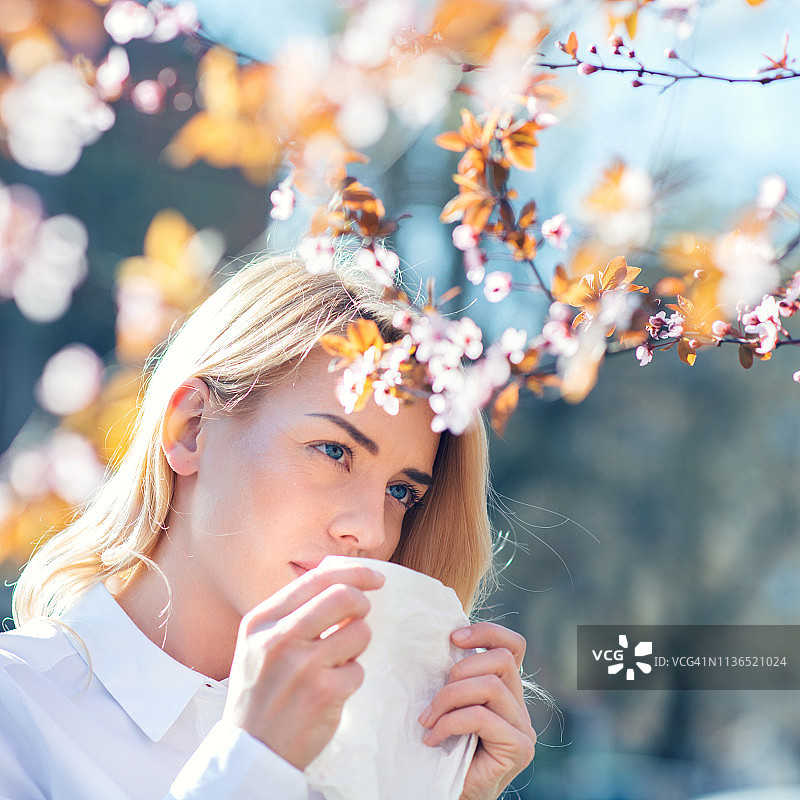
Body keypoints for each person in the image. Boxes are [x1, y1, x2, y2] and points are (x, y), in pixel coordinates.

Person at [0, 253, 537, 799]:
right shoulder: (17, 710)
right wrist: (255, 760)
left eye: (401, 492)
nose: (372, 532)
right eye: (333, 450)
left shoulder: (369, 764)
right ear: (191, 428)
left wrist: (441, 788)